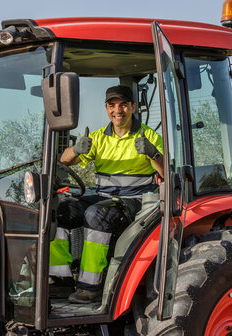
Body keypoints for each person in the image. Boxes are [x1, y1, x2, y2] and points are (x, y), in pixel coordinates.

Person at [49, 85, 164, 304]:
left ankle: (89, 286)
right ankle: (60, 279)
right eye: (112, 106)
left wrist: (153, 153)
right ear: (106, 108)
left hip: (135, 202)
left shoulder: (148, 136)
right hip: (104, 196)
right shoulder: (99, 137)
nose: (117, 110)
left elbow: (165, 173)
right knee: (60, 210)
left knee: (96, 214)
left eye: (123, 105)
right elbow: (64, 160)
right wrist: (76, 149)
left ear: (133, 107)